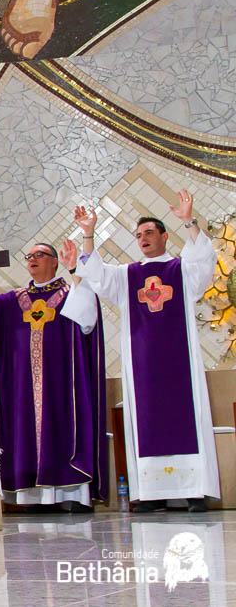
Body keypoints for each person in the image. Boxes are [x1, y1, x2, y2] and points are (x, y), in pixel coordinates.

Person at [74, 189, 219, 512]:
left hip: (179, 363)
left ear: (164, 236)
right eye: (139, 235)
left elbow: (204, 259)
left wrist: (189, 221)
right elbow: (95, 274)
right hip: (144, 367)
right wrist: (88, 233)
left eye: (149, 233)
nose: (143, 239)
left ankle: (194, 491)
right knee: (147, 421)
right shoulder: (128, 275)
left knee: (186, 417)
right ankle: (152, 494)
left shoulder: (181, 270)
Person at [0, 240, 106, 512]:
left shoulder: (70, 293)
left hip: (61, 382)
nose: (32, 259)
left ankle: (71, 496)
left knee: (62, 430)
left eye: (40, 254)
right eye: (29, 255)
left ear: (54, 261)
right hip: (24, 385)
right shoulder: (13, 301)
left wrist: (75, 269)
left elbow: (88, 317)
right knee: (26, 432)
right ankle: (32, 497)